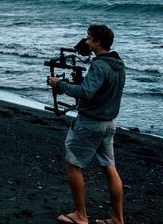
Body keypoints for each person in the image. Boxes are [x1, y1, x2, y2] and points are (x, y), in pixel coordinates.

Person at [47, 24, 126, 224]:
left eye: (89, 38)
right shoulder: (118, 64)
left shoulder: (99, 65)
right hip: (109, 123)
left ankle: (81, 216)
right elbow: (99, 90)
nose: (86, 41)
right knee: (109, 167)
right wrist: (81, 81)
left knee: (73, 164)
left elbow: (86, 93)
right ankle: (117, 219)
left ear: (98, 42)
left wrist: (60, 84)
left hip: (90, 123)